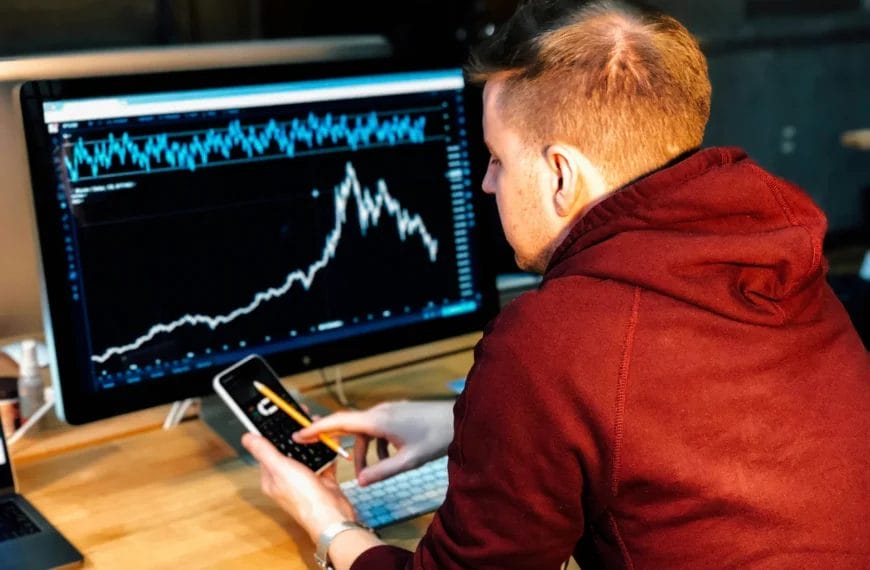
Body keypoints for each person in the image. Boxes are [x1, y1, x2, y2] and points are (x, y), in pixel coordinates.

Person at [242, 0, 870, 568]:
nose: (488, 184)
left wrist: (330, 526)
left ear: (561, 175)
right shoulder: (778, 260)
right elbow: (669, 418)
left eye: (497, 159)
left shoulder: (555, 339)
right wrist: (469, 422)